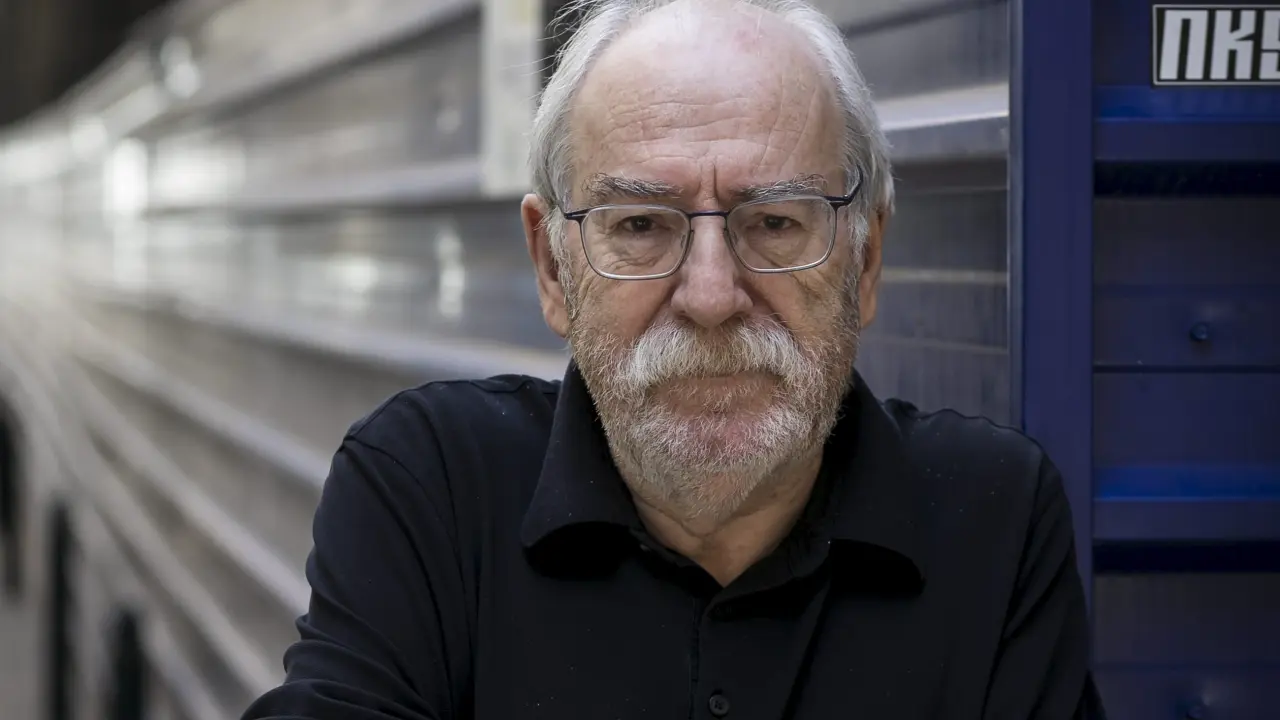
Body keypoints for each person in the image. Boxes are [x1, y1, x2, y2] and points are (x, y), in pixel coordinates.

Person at [243, 0, 1105, 717]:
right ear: (553, 268)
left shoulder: (993, 520)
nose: (711, 296)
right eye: (641, 225)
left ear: (866, 259)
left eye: (775, 222)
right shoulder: (430, 490)